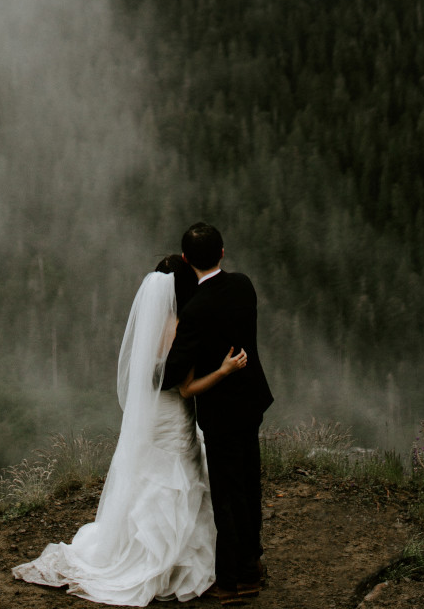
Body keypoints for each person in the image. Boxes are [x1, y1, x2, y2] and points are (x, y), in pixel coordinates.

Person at [12, 251, 250, 604]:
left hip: (153, 416)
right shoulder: (181, 326)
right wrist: (223, 371)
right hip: (173, 417)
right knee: (178, 478)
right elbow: (185, 388)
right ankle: (167, 561)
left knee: (150, 480)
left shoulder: (149, 325)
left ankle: (142, 549)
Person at [161, 223, 274, 602]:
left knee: (227, 495)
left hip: (221, 412)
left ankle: (233, 580)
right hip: (251, 402)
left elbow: (173, 372)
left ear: (187, 259)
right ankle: (252, 562)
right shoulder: (243, 285)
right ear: (223, 253)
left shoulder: (194, 310)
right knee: (250, 484)